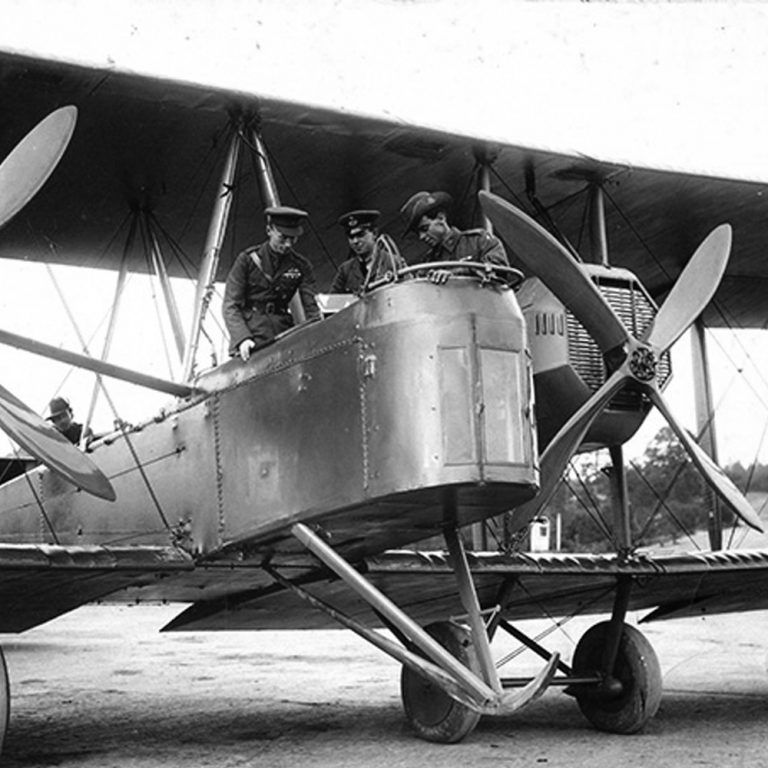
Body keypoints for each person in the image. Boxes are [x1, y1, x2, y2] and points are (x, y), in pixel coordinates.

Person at [223, 206, 321, 362]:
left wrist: (318, 335)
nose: (288, 244)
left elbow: (310, 307)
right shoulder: (247, 260)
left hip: (284, 334)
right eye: (283, 238)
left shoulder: (301, 266)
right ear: (269, 230)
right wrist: (242, 338)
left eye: (293, 238)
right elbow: (231, 305)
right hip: (252, 337)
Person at [400, 190, 509, 283]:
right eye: (418, 233)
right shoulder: (428, 264)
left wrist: (457, 273)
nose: (422, 237)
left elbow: (499, 269)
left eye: (424, 228)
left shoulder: (479, 241)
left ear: (441, 218)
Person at [330, 209, 406, 293]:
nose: (355, 241)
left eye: (360, 235)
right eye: (351, 237)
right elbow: (332, 301)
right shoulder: (345, 271)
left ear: (374, 233)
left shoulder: (393, 262)